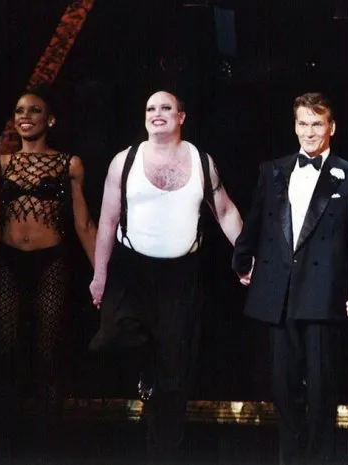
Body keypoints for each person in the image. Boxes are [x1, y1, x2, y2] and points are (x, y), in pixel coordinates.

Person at [88, 90, 243, 459]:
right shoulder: (124, 161)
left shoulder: (201, 161)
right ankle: (147, 369)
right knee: (110, 337)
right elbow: (107, 222)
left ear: (181, 117)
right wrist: (99, 275)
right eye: (150, 108)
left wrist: (246, 255)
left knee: (174, 376)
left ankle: (163, 455)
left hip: (181, 277)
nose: (157, 114)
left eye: (165, 108)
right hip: (131, 271)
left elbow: (225, 212)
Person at [232, 92, 348, 465]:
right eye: (302, 123)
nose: (309, 132)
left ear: (332, 127)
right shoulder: (273, 170)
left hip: (323, 292)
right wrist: (242, 261)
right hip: (279, 291)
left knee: (321, 391)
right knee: (282, 387)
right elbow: (256, 219)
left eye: (316, 124)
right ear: (294, 126)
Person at [0, 84, 97, 450]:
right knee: (5, 348)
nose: (25, 117)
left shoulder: (69, 164)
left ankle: (47, 439)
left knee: (49, 350)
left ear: (51, 120)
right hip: (9, 263)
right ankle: (6, 438)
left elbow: (83, 224)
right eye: (19, 110)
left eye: (34, 110)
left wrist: (102, 277)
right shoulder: (0, 165)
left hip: (51, 263)